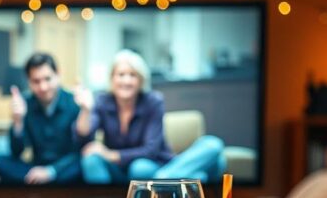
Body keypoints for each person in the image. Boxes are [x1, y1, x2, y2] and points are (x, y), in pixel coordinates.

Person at [76, 50, 225, 184]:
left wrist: (111, 154)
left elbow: (150, 150)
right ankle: (183, 181)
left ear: (141, 80)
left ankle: (161, 182)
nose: (126, 81)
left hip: (152, 166)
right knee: (92, 160)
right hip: (119, 171)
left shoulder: (153, 101)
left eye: (132, 75)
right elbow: (83, 137)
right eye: (121, 75)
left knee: (212, 145)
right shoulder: (102, 101)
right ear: (112, 78)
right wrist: (86, 110)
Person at [0, 53, 83, 184]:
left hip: (63, 169)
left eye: (47, 79)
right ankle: (38, 182)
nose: (43, 87)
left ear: (58, 74)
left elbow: (78, 152)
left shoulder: (73, 102)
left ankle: (40, 183)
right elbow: (16, 152)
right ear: (28, 81)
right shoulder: (26, 103)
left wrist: (51, 171)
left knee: (84, 163)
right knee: (0, 161)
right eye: (36, 81)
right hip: (35, 167)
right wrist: (18, 121)